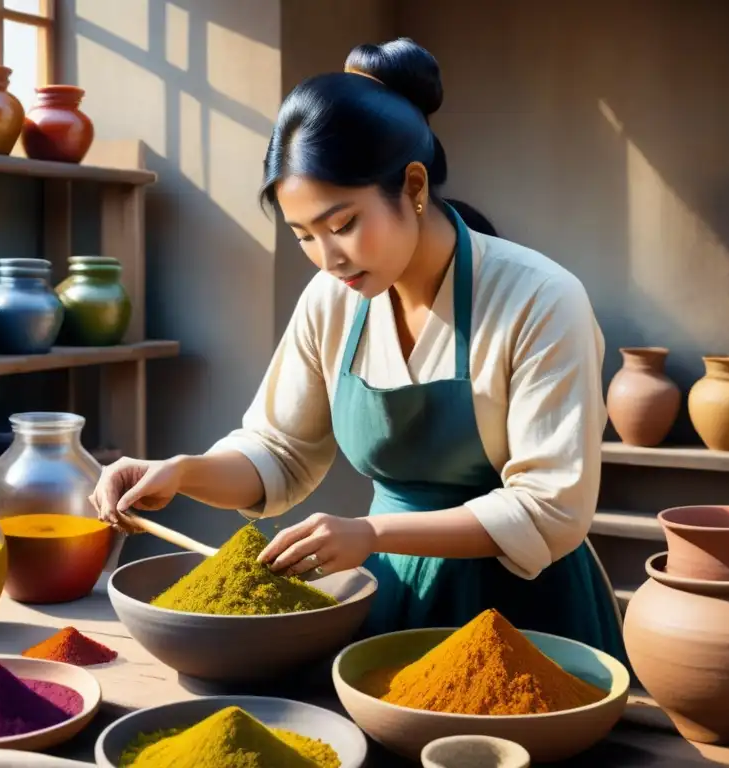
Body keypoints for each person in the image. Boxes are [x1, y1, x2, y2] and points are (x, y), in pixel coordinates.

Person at [91, 38, 625, 662]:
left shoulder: (540, 299)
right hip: (392, 602)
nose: (328, 257)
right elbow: (279, 452)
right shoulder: (332, 300)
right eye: (304, 235)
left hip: (528, 616)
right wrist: (183, 473)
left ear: (414, 185)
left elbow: (550, 508)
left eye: (343, 225)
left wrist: (371, 532)